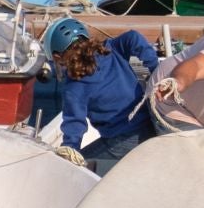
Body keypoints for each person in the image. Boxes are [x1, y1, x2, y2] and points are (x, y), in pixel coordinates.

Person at [46, 18, 159, 163]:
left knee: (78, 168)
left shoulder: (74, 85)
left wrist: (69, 148)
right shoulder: (114, 48)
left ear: (57, 57)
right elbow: (133, 37)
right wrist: (154, 71)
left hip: (123, 140)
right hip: (152, 125)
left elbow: (75, 124)